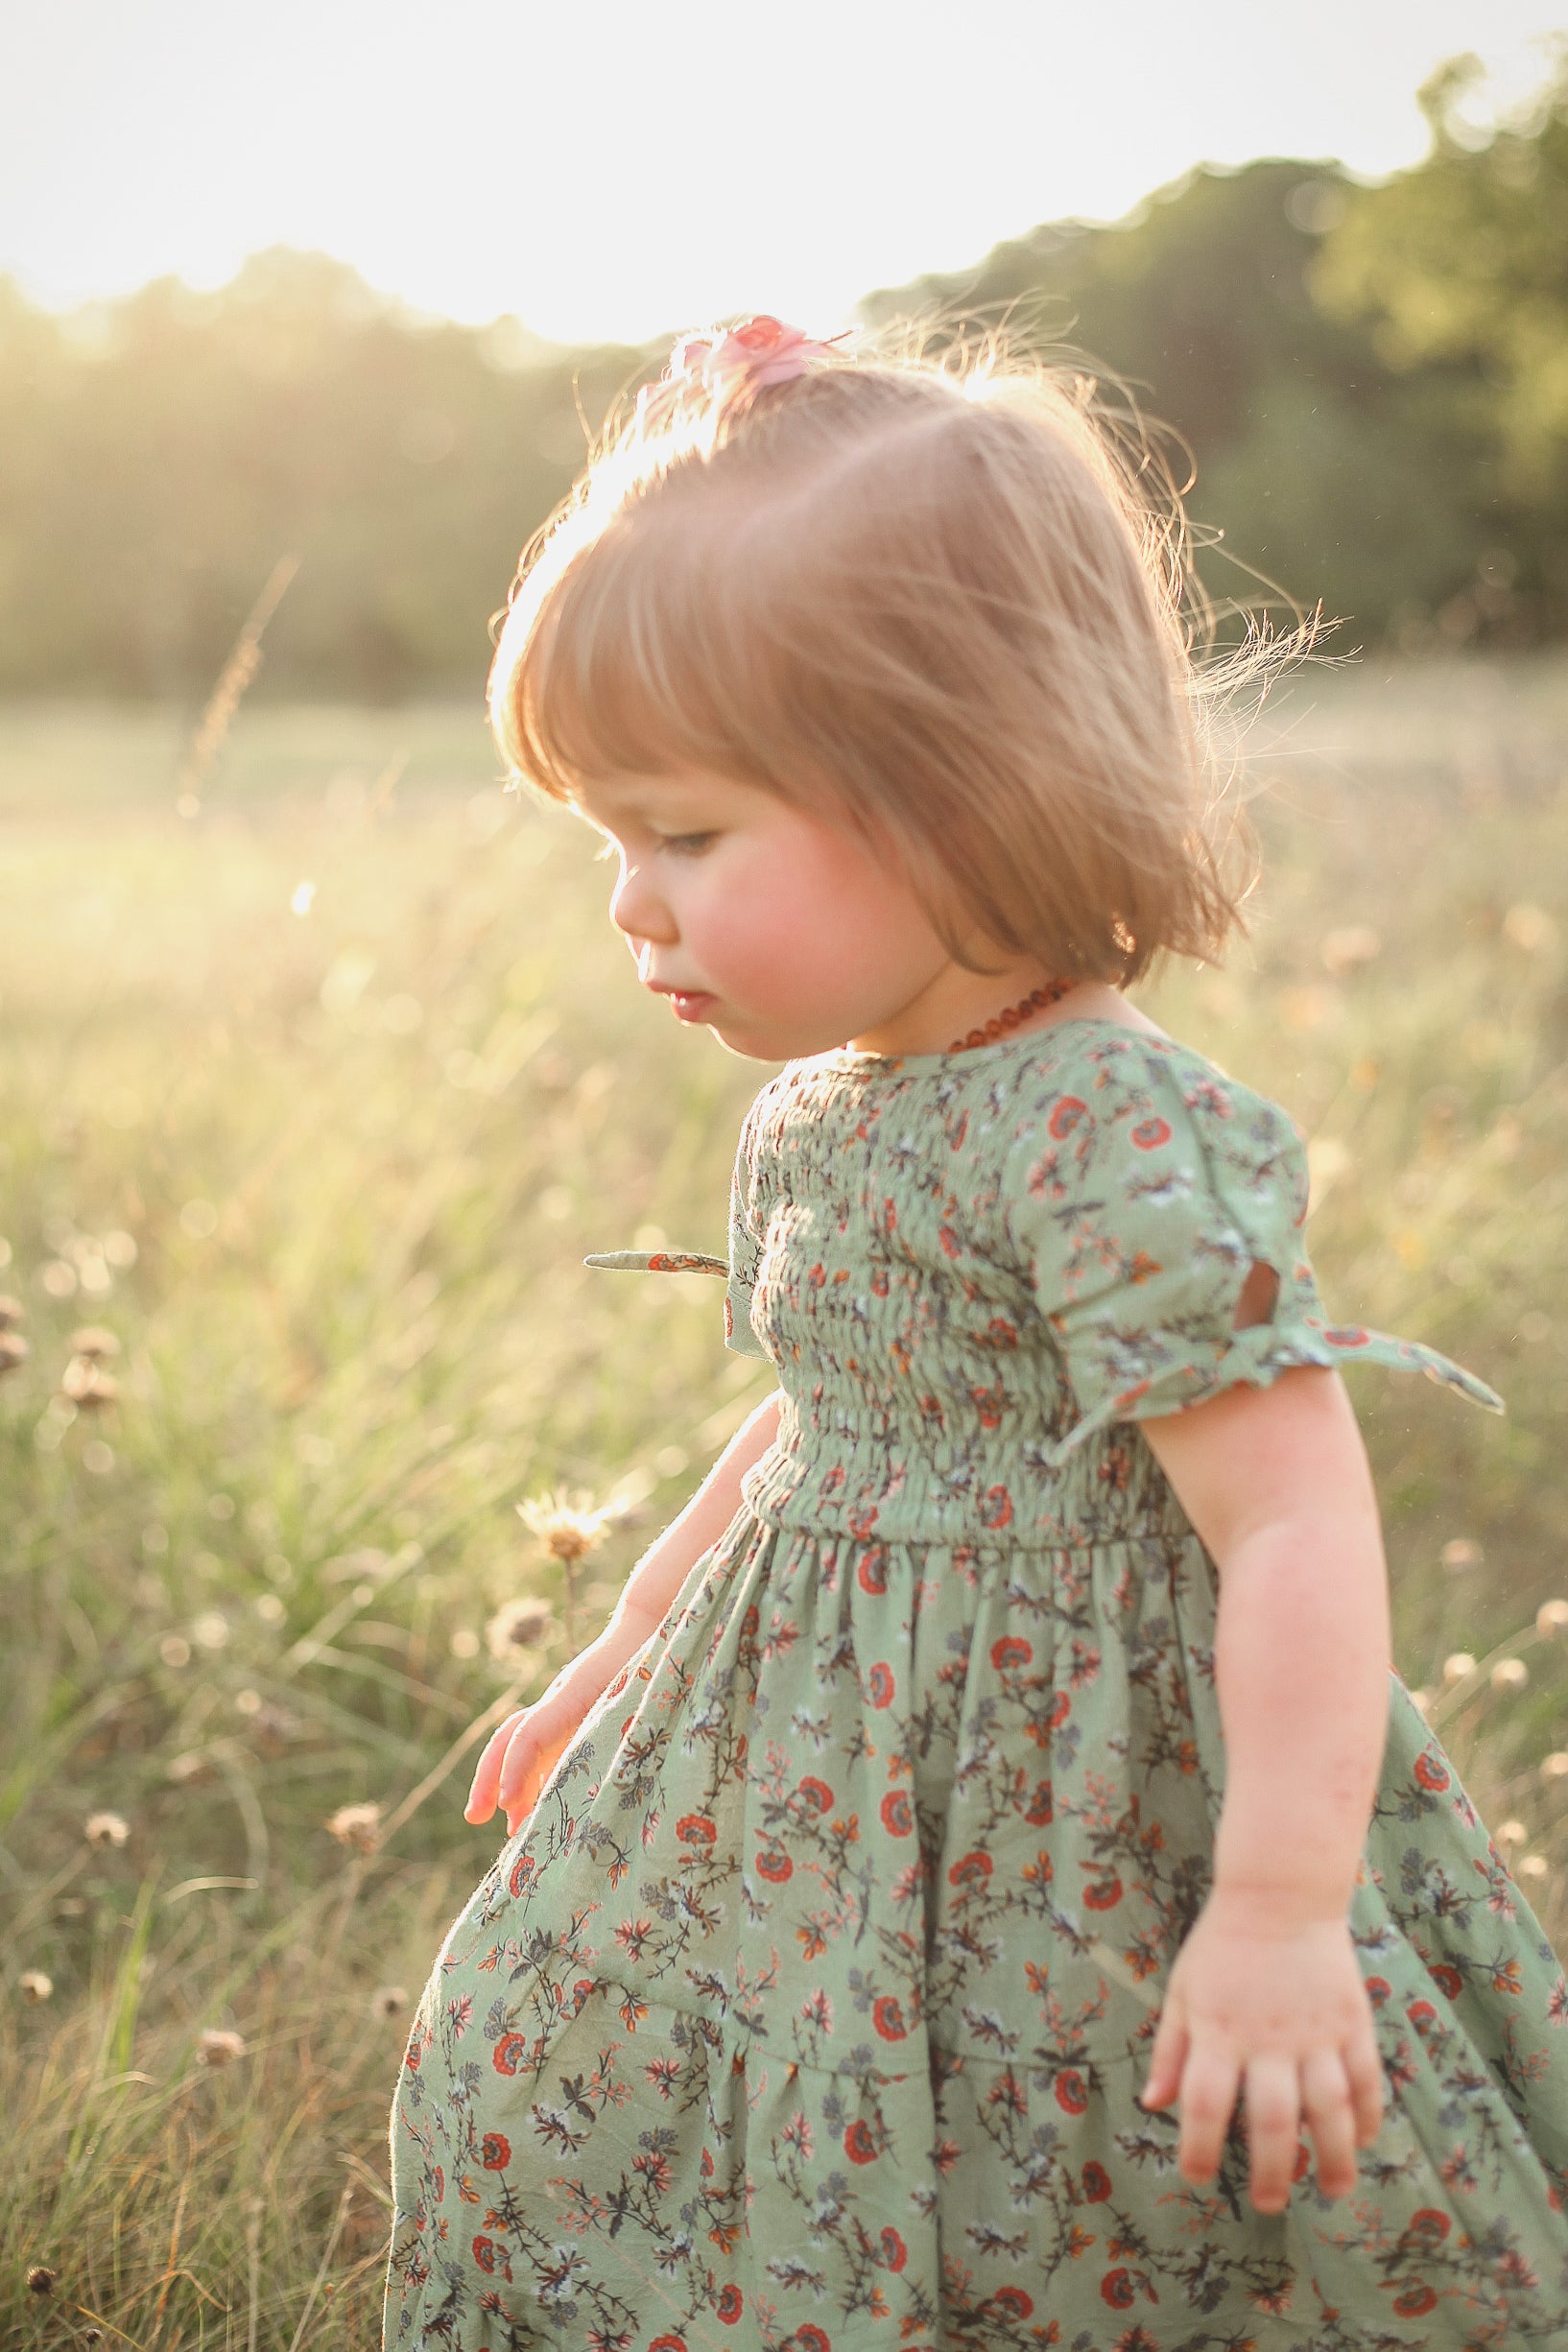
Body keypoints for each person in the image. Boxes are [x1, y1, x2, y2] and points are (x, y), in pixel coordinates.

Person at [385, 318, 1568, 2352]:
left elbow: (1291, 1516)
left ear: (959, 789)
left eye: (681, 832)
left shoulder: (1104, 1120)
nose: (626, 907)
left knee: (1070, 2167)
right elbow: (821, 1422)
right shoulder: (822, 1106)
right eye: (606, 842)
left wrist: (1279, 1902)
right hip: (807, 1754)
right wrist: (616, 1645)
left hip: (1088, 1789)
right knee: (554, 2050)